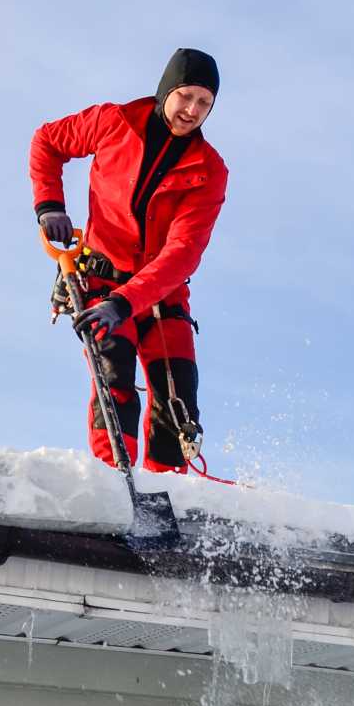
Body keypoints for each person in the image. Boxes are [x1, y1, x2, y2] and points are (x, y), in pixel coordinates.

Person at [30, 48, 228, 472]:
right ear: (165, 91)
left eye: (205, 103)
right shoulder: (112, 122)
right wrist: (50, 206)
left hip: (161, 294)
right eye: (185, 96)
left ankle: (165, 494)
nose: (192, 110)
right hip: (101, 281)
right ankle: (115, 482)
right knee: (113, 380)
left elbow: (183, 252)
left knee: (178, 408)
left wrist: (126, 302)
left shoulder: (209, 171)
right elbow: (47, 141)